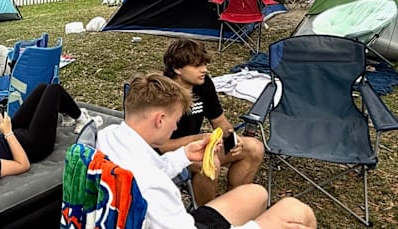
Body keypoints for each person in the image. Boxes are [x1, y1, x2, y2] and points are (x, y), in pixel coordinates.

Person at [97, 72, 317, 229]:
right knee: (296, 211)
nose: (175, 127)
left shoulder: (110, 136)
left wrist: (184, 155)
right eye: (175, 121)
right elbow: (151, 182)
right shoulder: (156, 190)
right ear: (160, 119)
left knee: (256, 193)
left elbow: (148, 169)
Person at [160, 39, 265, 205]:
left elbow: (220, 121)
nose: (204, 70)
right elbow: (158, 146)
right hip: (166, 157)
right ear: (177, 68)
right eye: (197, 66)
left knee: (254, 148)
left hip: (199, 146)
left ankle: (232, 206)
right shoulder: (161, 93)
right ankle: (206, 216)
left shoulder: (203, 84)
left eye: (204, 64)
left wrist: (232, 140)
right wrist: (195, 139)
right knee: (210, 164)